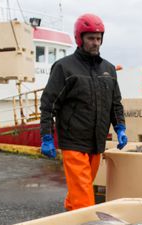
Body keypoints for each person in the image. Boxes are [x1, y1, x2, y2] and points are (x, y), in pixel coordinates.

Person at [39, 13, 128, 211]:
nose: (95, 43)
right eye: (90, 38)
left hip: (97, 142)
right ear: (80, 39)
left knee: (81, 189)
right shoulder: (64, 68)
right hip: (73, 142)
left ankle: (69, 217)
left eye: (98, 38)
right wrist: (46, 136)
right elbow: (49, 104)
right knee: (85, 199)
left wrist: (120, 127)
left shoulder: (109, 69)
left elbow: (115, 103)